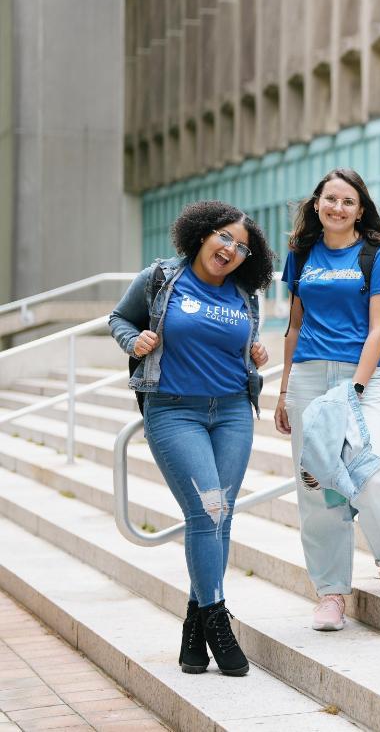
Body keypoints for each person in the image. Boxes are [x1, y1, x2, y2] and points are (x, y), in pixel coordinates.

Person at [109, 201, 275, 677]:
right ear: (202, 234)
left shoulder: (244, 294)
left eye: (241, 247)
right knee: (207, 511)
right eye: (224, 237)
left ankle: (193, 627)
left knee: (221, 516)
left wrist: (255, 352)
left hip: (233, 413)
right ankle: (218, 622)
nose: (231, 249)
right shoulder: (162, 277)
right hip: (174, 411)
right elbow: (119, 318)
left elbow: (240, 346)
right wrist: (134, 341)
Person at [275, 168, 380, 632]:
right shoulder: (301, 254)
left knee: (367, 469)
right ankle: (331, 593)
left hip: (367, 377)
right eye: (330, 199)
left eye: (348, 201)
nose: (338, 208)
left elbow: (379, 328)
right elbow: (295, 325)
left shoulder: (379, 256)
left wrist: (354, 387)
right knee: (316, 485)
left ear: (360, 209)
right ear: (317, 204)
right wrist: (283, 389)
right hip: (309, 376)